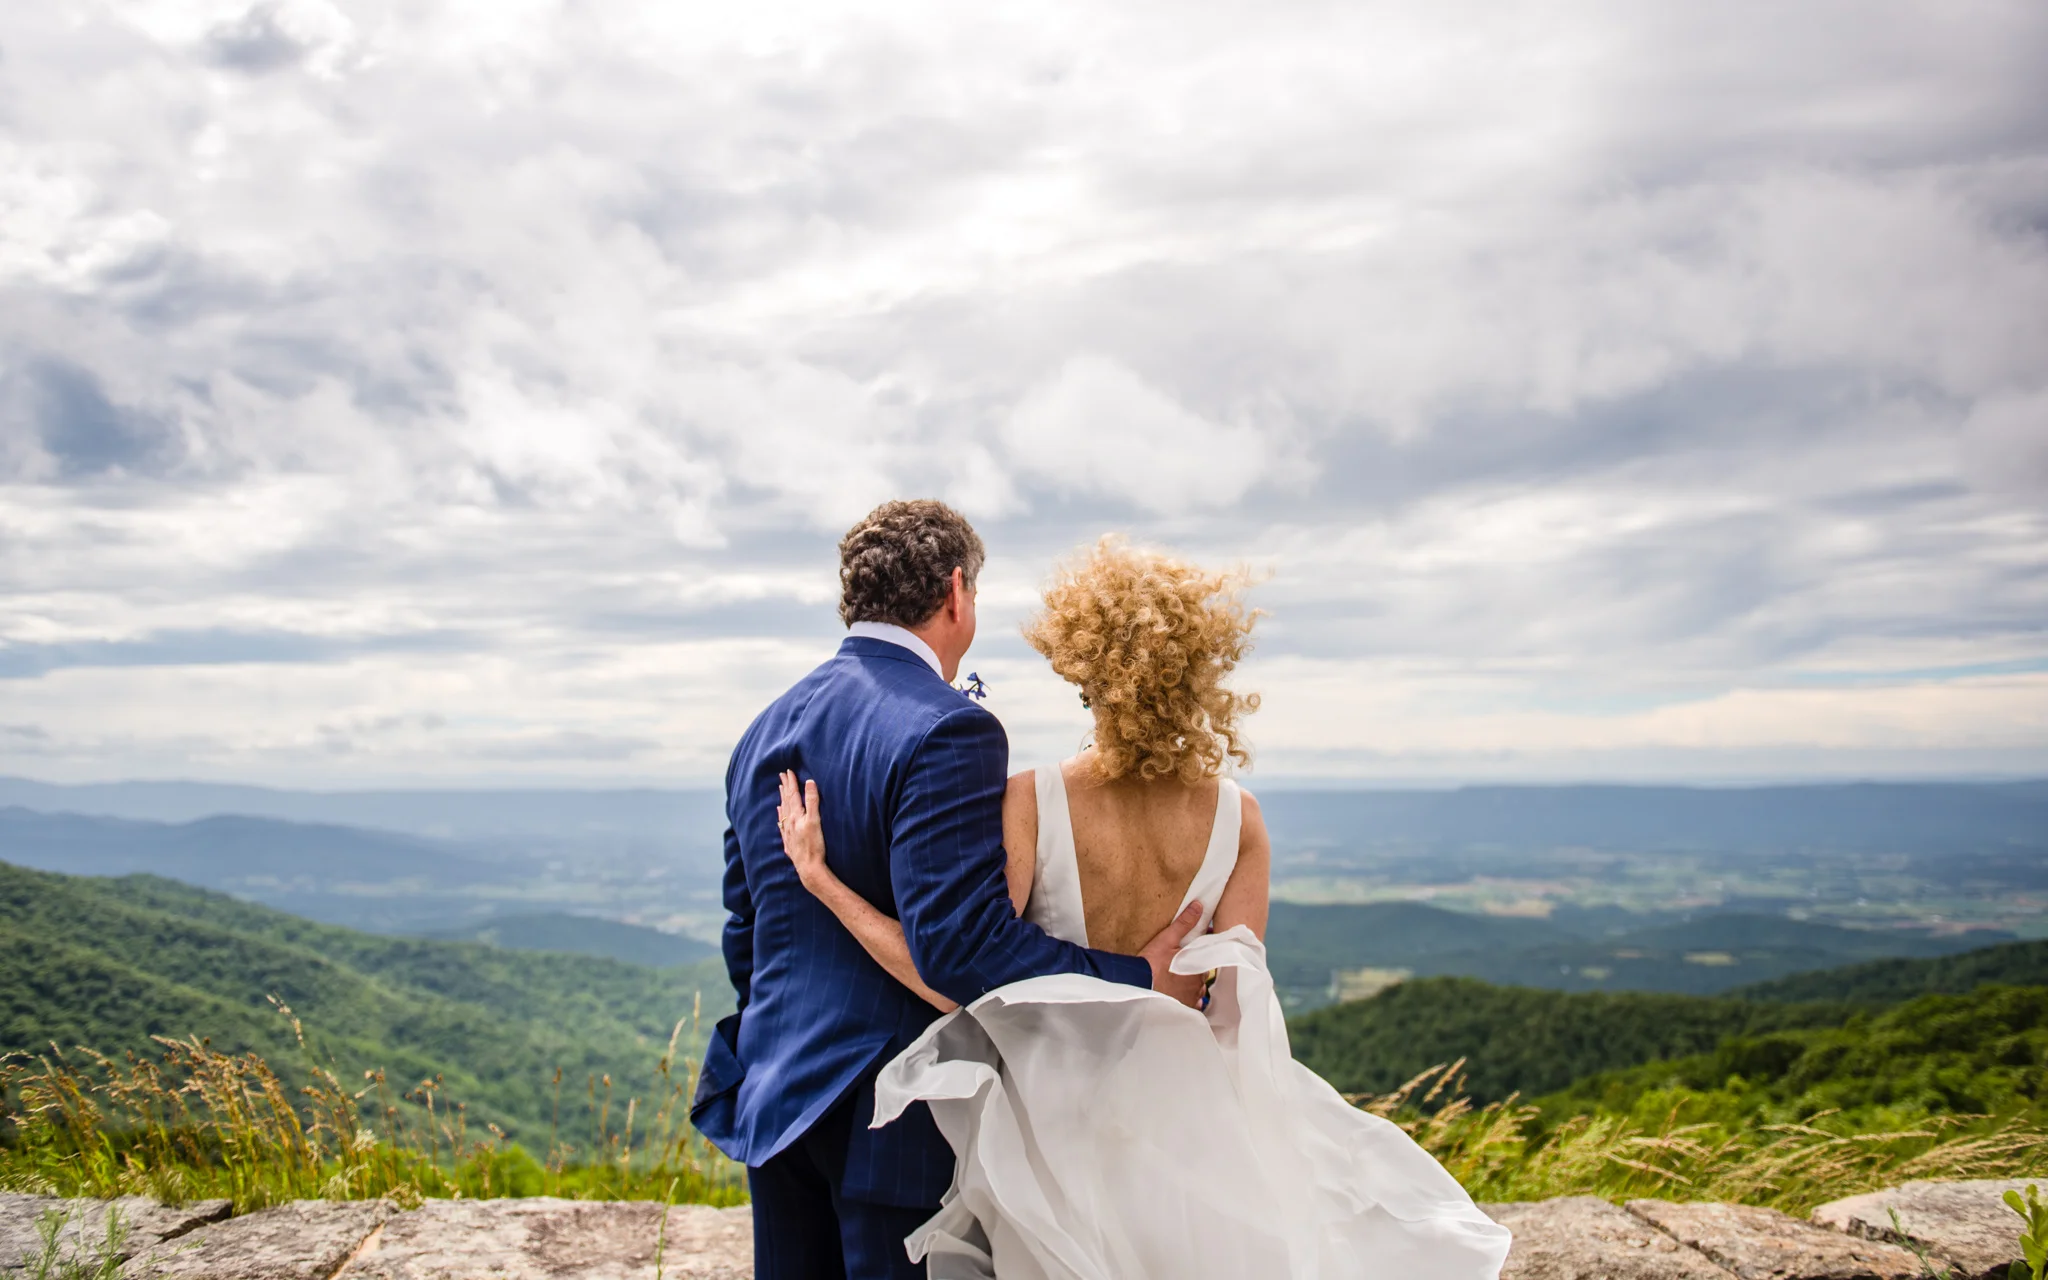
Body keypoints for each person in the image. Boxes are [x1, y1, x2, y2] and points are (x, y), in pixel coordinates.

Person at [773, 536, 1514, 1279]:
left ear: (1079, 663)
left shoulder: (1029, 802)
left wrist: (825, 884)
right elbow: (1234, 1022)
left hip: (1049, 1142)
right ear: (1202, 667)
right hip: (1190, 1141)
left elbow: (956, 978)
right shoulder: (1240, 818)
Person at [690, 501, 1208, 1280]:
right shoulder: (947, 728)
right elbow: (964, 946)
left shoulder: (763, 729)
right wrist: (1140, 979)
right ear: (957, 593)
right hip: (893, 1123)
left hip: (776, 1094)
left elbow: (747, 927)